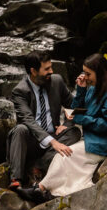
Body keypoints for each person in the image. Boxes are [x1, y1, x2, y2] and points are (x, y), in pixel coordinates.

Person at [20, 52, 107, 201]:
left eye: (88, 74)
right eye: (84, 73)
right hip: (91, 138)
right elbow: (77, 108)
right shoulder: (92, 88)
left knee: (64, 156)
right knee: (64, 156)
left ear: (100, 72)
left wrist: (80, 118)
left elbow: (106, 125)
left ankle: (41, 189)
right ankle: (44, 188)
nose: (85, 77)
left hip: (105, 142)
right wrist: (81, 90)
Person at [6, 50, 79, 190]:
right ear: (33, 71)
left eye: (51, 67)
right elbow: (28, 120)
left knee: (74, 132)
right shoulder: (19, 92)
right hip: (32, 141)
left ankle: (38, 167)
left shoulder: (56, 81)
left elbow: (76, 106)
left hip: (54, 136)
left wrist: (67, 123)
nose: (51, 71)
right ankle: (16, 179)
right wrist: (53, 142)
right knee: (20, 129)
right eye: (47, 69)